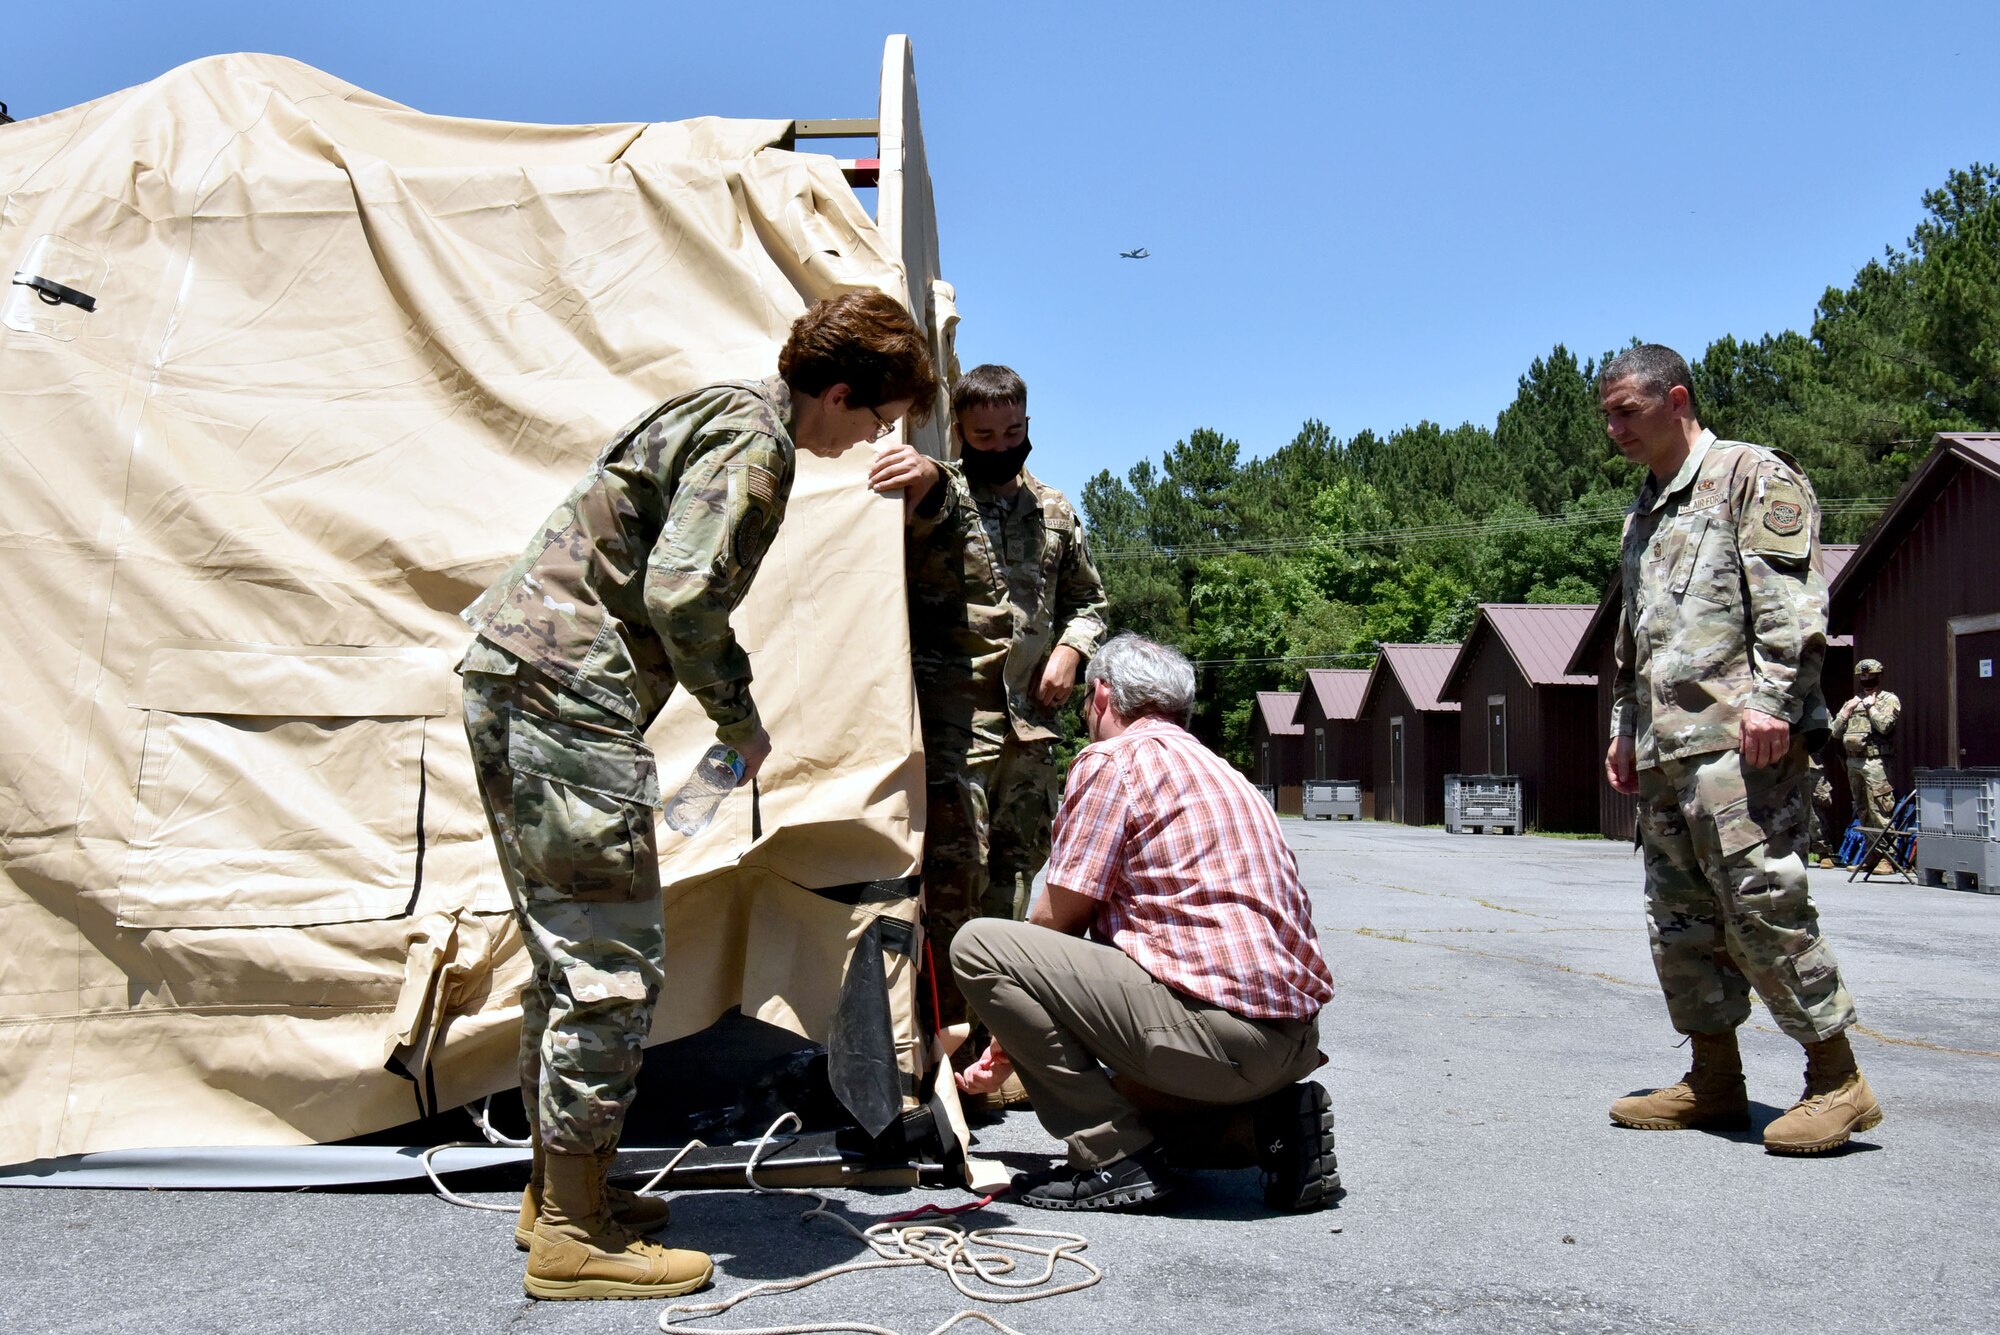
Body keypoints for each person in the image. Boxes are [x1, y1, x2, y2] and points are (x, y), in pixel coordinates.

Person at [459, 291, 938, 1300]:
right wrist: (735, 717)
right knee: (609, 965)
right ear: (840, 394)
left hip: (524, 676)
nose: (869, 444)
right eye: (876, 421)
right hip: (567, 700)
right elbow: (681, 594)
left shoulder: (720, 409)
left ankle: (560, 1197)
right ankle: (573, 1238)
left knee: (565, 956)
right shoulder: (757, 448)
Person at [1600, 343, 1881, 1155]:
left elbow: (1794, 606)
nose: (1614, 427)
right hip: (1667, 749)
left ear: (1675, 398)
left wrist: (1772, 704)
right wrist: (1625, 727)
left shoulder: (1753, 476)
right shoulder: (1645, 508)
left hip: (1741, 741)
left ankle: (1838, 1077)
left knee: (1763, 902)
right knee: (1680, 921)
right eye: (1608, 414)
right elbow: (1635, 638)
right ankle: (1715, 1078)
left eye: (1627, 409)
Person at [949, 633, 1339, 1212]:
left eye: (1085, 701)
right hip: (1288, 1043)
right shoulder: (1222, 772)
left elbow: (1056, 922)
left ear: (1101, 695)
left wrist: (1005, 1046)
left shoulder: (1114, 761)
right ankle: (1271, 1128)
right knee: (1127, 1102)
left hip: (1215, 1037)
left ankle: (1111, 1162)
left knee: (981, 945)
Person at [866, 365, 1107, 1037]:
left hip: (1029, 730)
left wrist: (1071, 649)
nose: (1000, 445)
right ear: (958, 431)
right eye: (983, 434)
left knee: (1015, 879)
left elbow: (1090, 601)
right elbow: (927, 488)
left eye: (1013, 431)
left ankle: (1002, 1037)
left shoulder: (1054, 510)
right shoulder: (939, 494)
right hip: (955, 722)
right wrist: (922, 470)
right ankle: (945, 1032)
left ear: (1028, 424)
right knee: (954, 877)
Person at [1833, 658, 1902, 871]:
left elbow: (1885, 726)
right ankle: (1871, 856)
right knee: (1863, 810)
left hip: (1876, 761)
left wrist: (1871, 709)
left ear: (1879, 675)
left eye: (1870, 674)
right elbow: (1834, 732)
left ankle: (1887, 859)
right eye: (1862, 675)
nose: (1866, 678)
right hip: (1854, 762)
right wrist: (1846, 712)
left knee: (1880, 809)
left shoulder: (1888, 699)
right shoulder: (1852, 702)